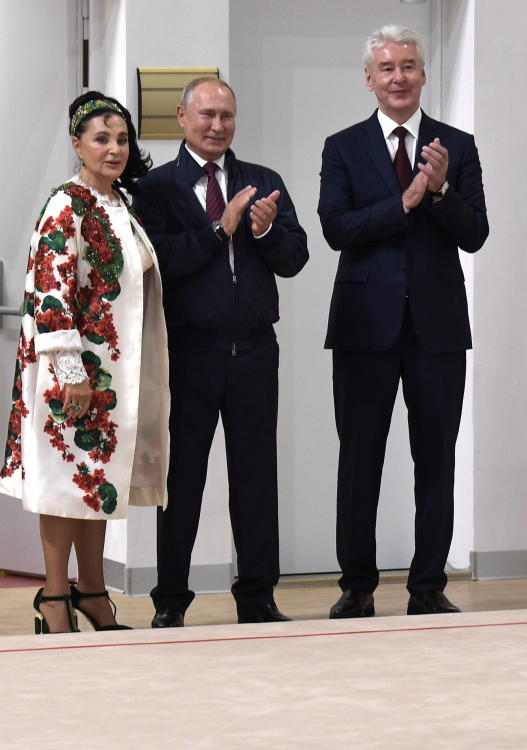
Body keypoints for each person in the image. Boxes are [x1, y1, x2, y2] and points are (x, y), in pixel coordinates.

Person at [319, 25, 488, 618]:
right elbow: (336, 228)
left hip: (438, 330)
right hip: (365, 326)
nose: (399, 78)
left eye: (409, 66)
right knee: (359, 458)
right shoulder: (342, 147)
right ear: (370, 79)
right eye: (387, 69)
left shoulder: (456, 146)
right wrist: (405, 202)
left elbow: (477, 236)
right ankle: (357, 586)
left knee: (435, 459)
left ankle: (427, 586)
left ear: (423, 74)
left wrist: (440, 192)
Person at [133, 77, 309, 627]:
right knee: (181, 481)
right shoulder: (156, 188)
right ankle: (171, 600)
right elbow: (159, 260)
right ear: (182, 116)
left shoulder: (263, 181)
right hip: (189, 353)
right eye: (206, 114)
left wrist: (263, 232)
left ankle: (257, 597)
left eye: (227, 116)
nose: (217, 126)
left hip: (255, 352)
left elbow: (296, 257)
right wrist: (220, 228)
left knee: (256, 478)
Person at [0, 92, 168, 633]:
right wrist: (70, 370)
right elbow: (49, 290)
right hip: (71, 371)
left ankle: (92, 593)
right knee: (65, 484)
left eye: (121, 138)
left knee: (98, 482)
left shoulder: (120, 204)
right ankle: (54, 599)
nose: (114, 148)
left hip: (112, 372)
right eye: (101, 138)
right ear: (77, 145)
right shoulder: (65, 204)